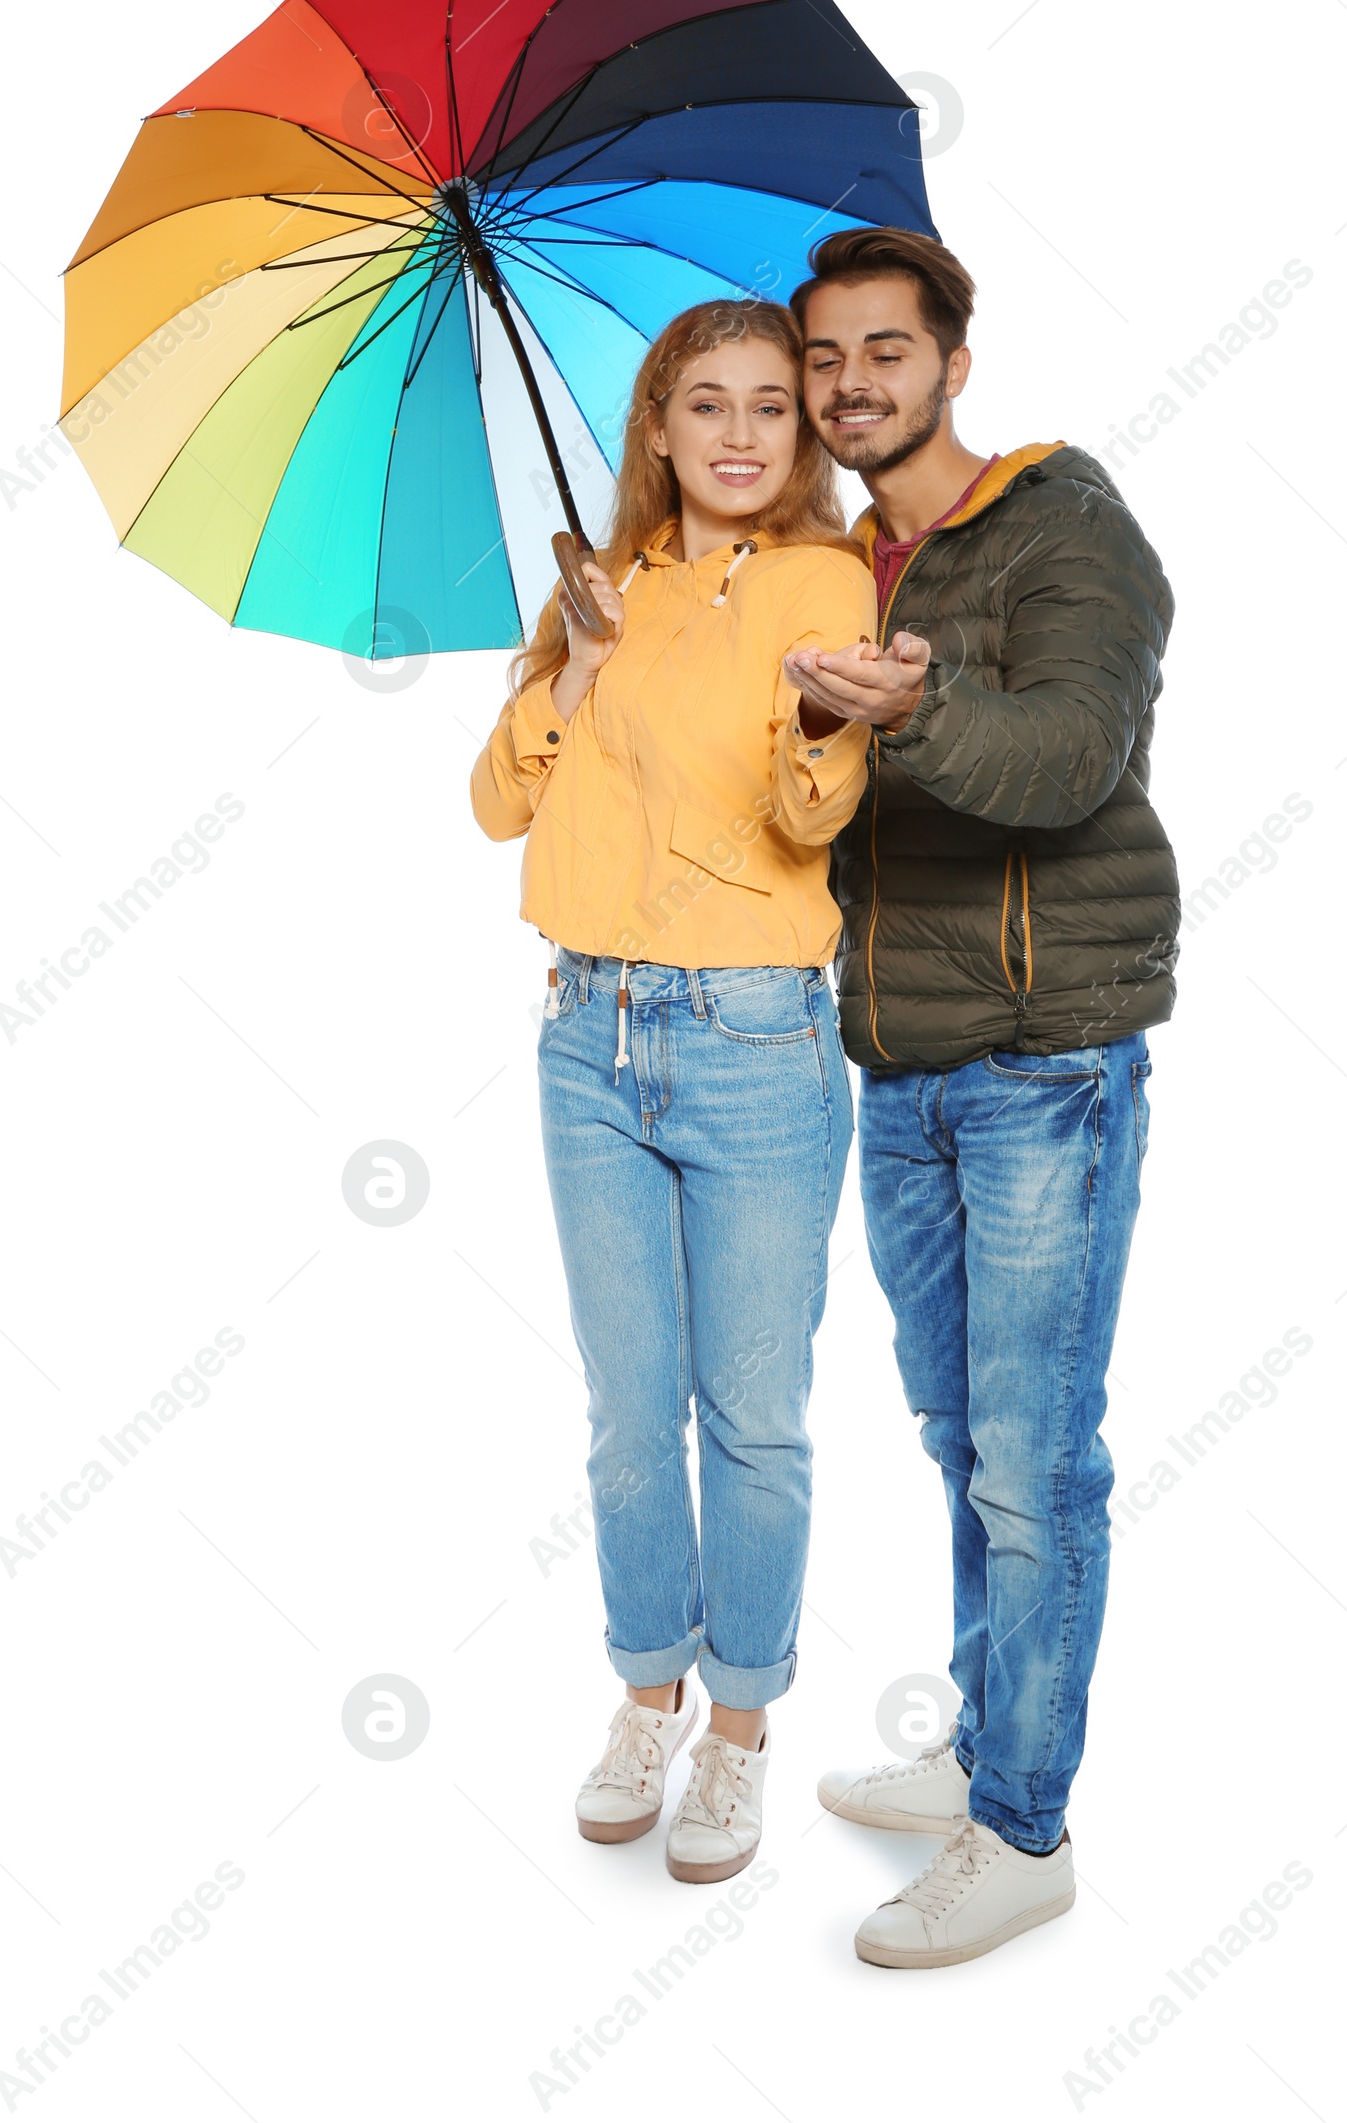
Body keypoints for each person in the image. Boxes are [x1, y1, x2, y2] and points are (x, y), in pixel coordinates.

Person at [782, 226, 1181, 1967]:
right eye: (824, 358)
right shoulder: (841, 564)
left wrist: (916, 709)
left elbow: (1067, 756)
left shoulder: (1064, 526)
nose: (850, 384)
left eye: (885, 349)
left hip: (1044, 1069)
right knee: (961, 1441)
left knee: (1034, 1460)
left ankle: (1027, 1828)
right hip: (904, 1075)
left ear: (954, 357)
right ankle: (984, 1748)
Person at [471, 298, 877, 1883]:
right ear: (655, 426)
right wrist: (572, 666)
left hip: (759, 1038)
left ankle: (740, 1731)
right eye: (704, 404)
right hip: (589, 1036)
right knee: (631, 1421)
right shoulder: (605, 588)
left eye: (771, 407)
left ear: (797, 436)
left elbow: (804, 813)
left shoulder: (822, 581)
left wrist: (831, 720)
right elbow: (497, 807)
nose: (736, 432)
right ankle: (646, 1697)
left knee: (752, 1420)